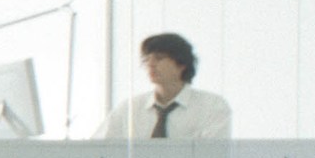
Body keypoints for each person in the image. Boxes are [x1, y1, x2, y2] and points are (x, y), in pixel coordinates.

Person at [97, 32, 231, 140]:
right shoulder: (130, 109)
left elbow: (213, 156)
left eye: (159, 58)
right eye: (146, 59)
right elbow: (98, 149)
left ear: (181, 64)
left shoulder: (212, 106)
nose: (150, 64)